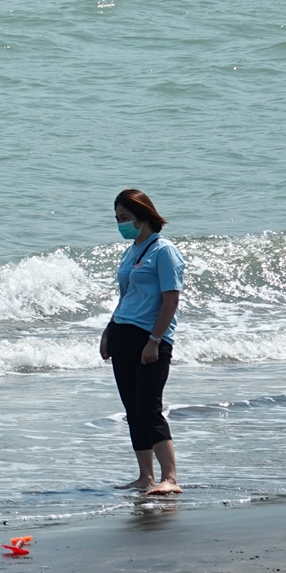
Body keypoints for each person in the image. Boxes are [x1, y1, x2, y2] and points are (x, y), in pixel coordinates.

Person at [100, 187, 184, 495]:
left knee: (149, 408)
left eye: (125, 218)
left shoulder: (164, 251)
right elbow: (126, 297)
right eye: (117, 219)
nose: (121, 224)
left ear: (143, 216)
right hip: (122, 333)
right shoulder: (131, 251)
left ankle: (170, 477)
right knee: (132, 409)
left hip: (150, 338)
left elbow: (170, 300)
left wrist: (155, 340)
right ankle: (145, 476)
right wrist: (108, 331)